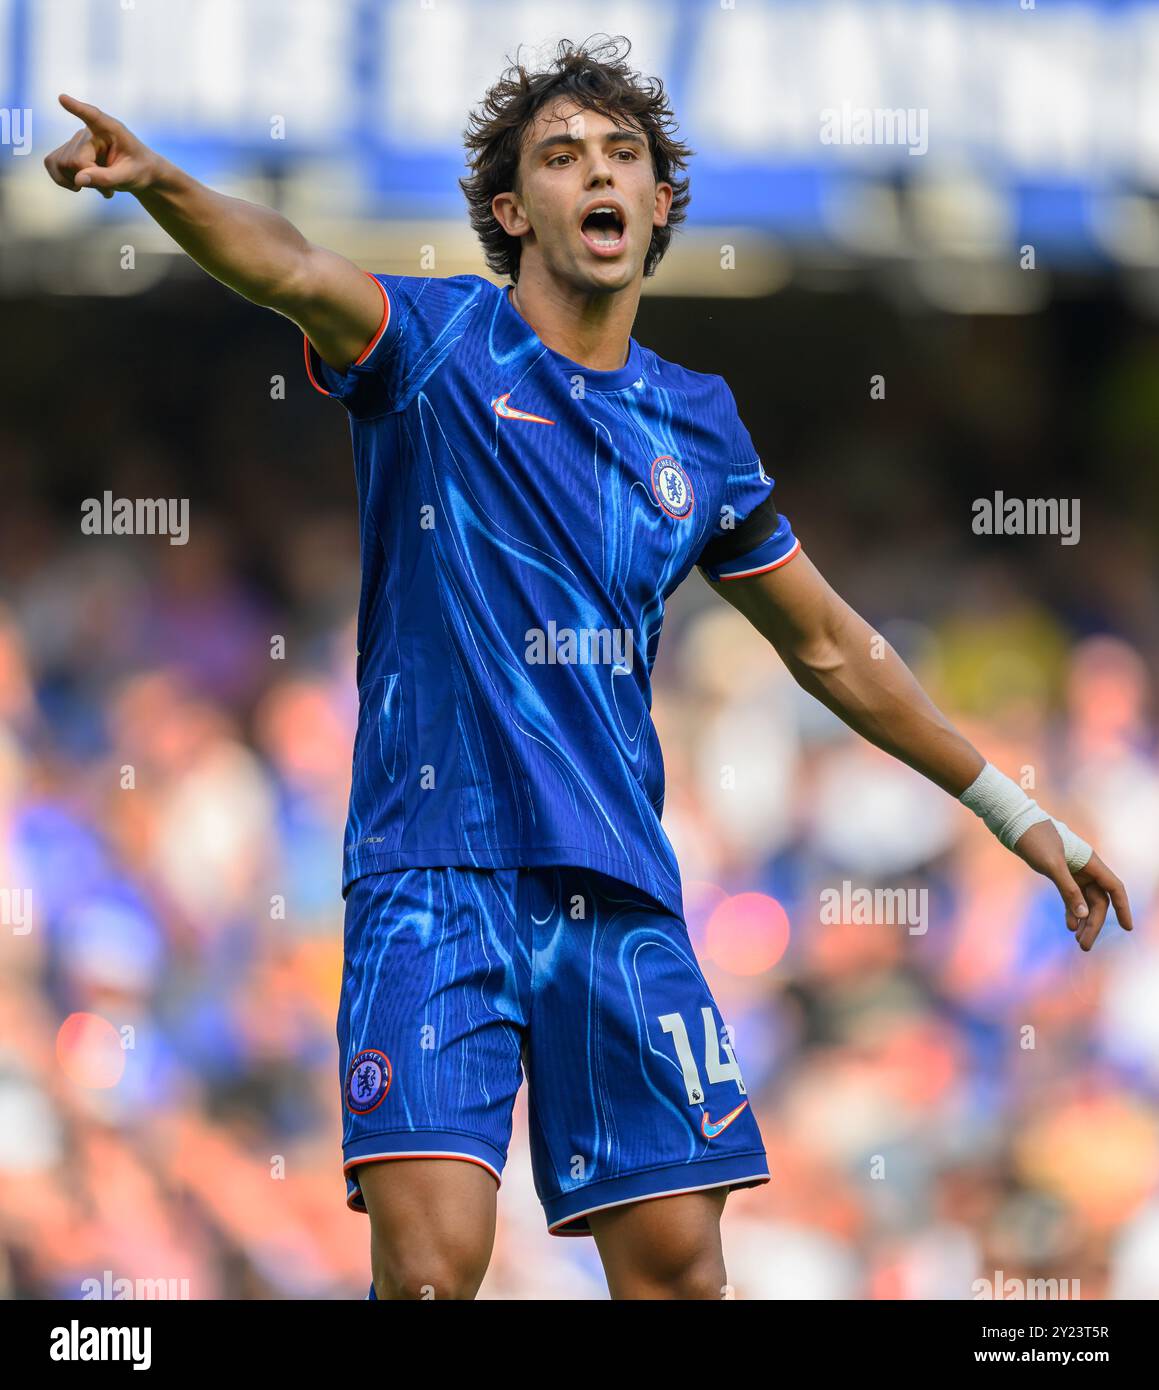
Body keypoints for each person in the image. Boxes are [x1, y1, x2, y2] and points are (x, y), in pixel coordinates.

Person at [44, 35, 1133, 1301]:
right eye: (561, 156)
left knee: (680, 1268)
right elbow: (289, 264)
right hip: (430, 872)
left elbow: (831, 643)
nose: (597, 173)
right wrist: (160, 184)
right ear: (513, 210)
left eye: (623, 155)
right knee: (436, 1268)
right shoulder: (437, 345)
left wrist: (1012, 809)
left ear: (661, 203)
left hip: (613, 886)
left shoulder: (697, 422)